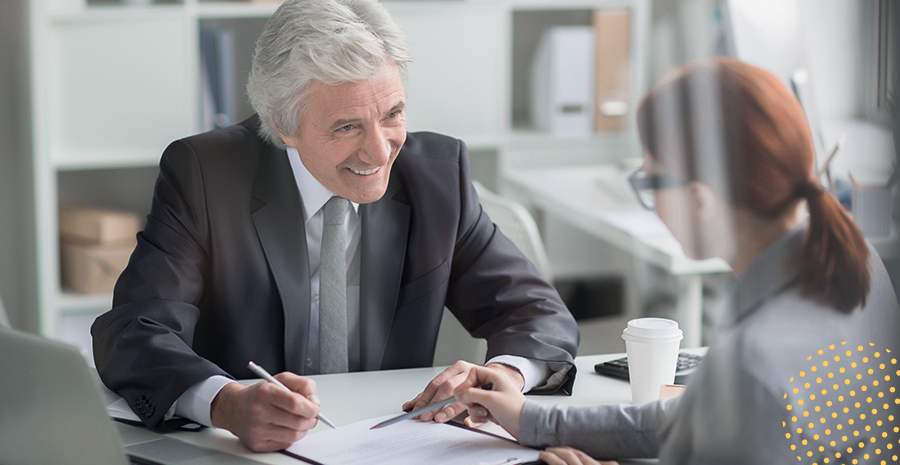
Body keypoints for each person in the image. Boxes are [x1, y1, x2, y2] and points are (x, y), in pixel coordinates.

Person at [91, 0, 579, 453]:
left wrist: (504, 375)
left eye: (393, 115)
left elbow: (536, 312)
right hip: (241, 452)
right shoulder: (205, 173)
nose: (380, 150)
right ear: (284, 124)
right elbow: (133, 330)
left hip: (389, 445)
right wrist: (226, 403)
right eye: (347, 127)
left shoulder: (436, 174)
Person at [453, 57, 900, 464]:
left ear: (700, 199)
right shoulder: (856, 258)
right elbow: (705, 418)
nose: (649, 200)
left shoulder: (752, 360)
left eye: (649, 182)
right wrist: (535, 421)